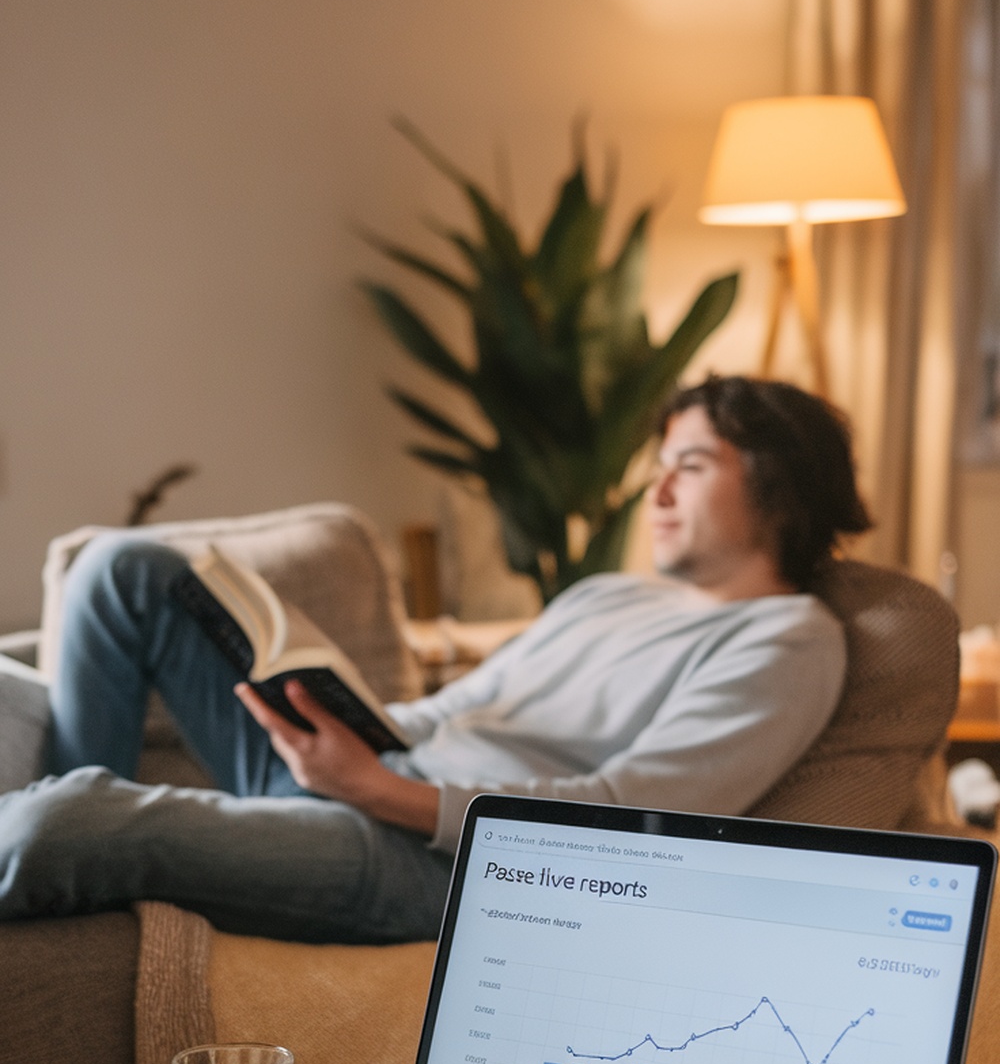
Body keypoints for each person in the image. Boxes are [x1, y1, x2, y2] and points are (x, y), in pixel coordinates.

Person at [0, 376, 872, 943]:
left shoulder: (788, 640)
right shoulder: (608, 595)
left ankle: (66, 852)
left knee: (69, 822)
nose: (658, 490)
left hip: (442, 867)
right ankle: (77, 900)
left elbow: (629, 822)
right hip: (369, 783)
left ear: (778, 482)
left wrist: (377, 790)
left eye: (691, 464)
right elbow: (453, 711)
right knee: (125, 569)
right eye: (660, 465)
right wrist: (332, 720)